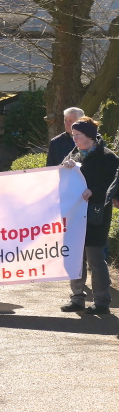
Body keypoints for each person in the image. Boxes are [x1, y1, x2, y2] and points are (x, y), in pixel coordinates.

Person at [60, 117, 118, 315]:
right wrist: (65, 167)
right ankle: (77, 298)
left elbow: (113, 185)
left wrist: (94, 191)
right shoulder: (75, 154)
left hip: (96, 215)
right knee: (75, 257)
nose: (74, 138)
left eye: (77, 135)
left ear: (90, 136)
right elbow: (64, 178)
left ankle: (102, 301)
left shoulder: (108, 157)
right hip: (75, 213)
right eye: (73, 135)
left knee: (95, 258)